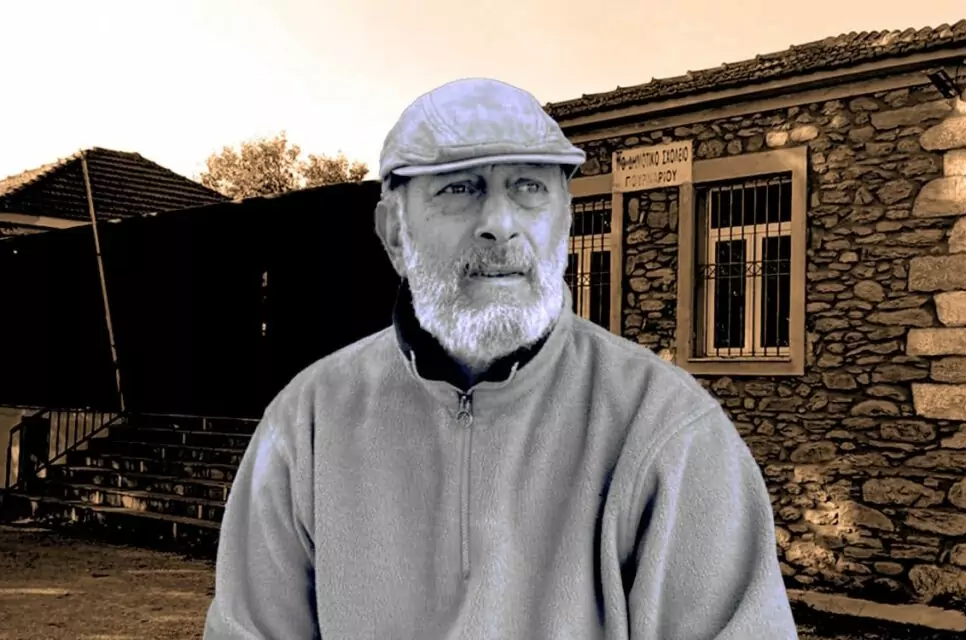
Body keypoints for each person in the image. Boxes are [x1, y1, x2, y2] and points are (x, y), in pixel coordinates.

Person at [203, 77, 798, 639]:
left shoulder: (667, 429)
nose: (499, 225)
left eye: (529, 187)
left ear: (565, 220)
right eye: (459, 189)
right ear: (394, 234)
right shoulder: (306, 426)